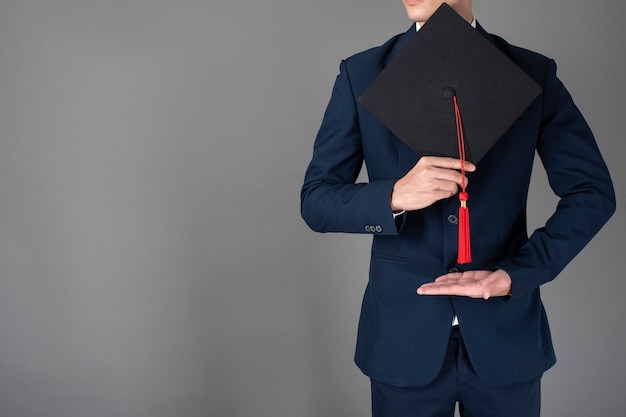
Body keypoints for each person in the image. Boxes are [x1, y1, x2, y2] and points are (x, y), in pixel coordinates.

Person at [300, 0, 616, 416]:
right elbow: (317, 201)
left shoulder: (531, 73)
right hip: (401, 345)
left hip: (506, 340)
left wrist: (514, 276)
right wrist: (393, 195)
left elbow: (592, 192)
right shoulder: (361, 74)